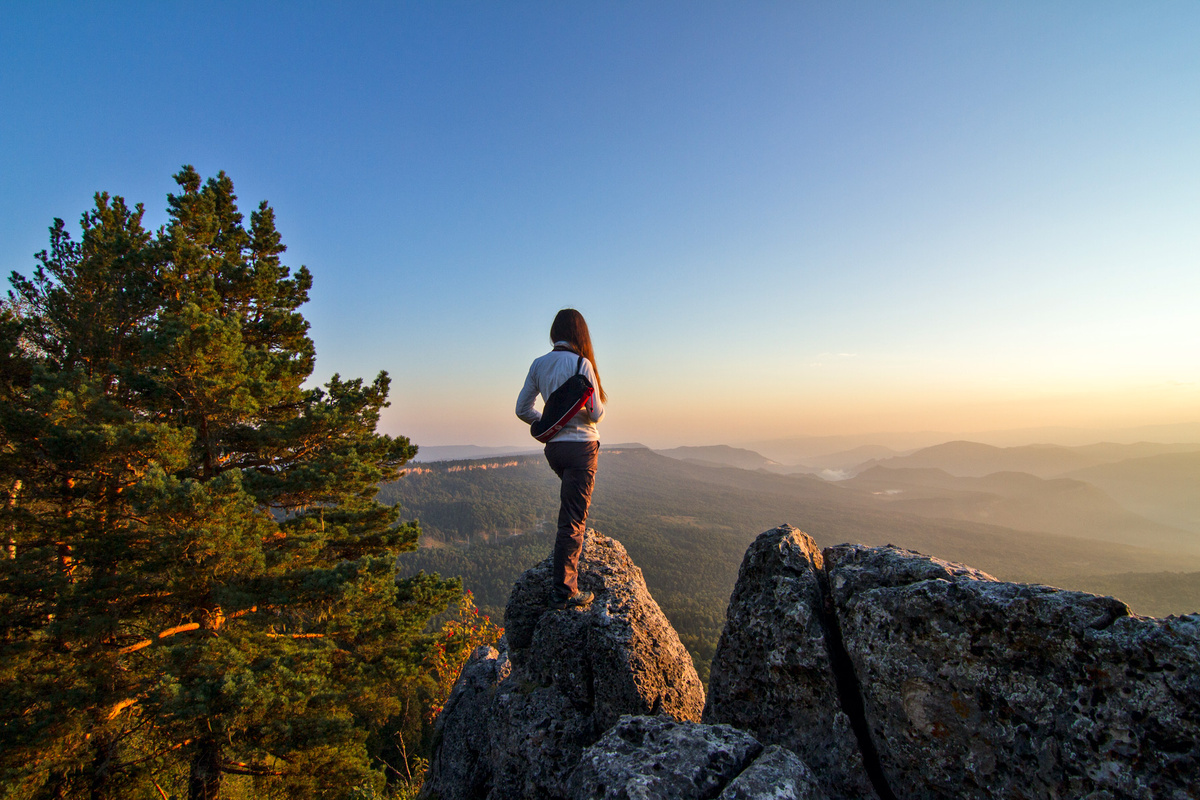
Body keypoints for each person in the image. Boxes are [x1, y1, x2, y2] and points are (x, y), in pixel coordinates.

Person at [516, 308, 607, 609]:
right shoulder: (583, 365)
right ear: (580, 334)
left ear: (555, 332)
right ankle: (565, 591)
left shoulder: (539, 364)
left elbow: (522, 409)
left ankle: (565, 575)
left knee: (571, 507)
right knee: (572, 519)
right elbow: (595, 413)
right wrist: (577, 416)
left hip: (555, 449)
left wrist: (550, 420)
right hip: (582, 447)